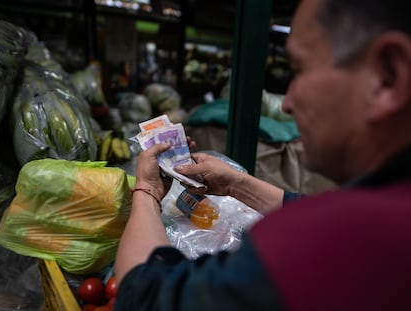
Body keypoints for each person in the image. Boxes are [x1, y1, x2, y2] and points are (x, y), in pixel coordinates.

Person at [115, 0, 411, 309]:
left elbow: (145, 296)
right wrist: (234, 185)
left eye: (300, 70)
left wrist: (147, 190)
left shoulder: (318, 242)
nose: (287, 103)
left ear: (388, 75)